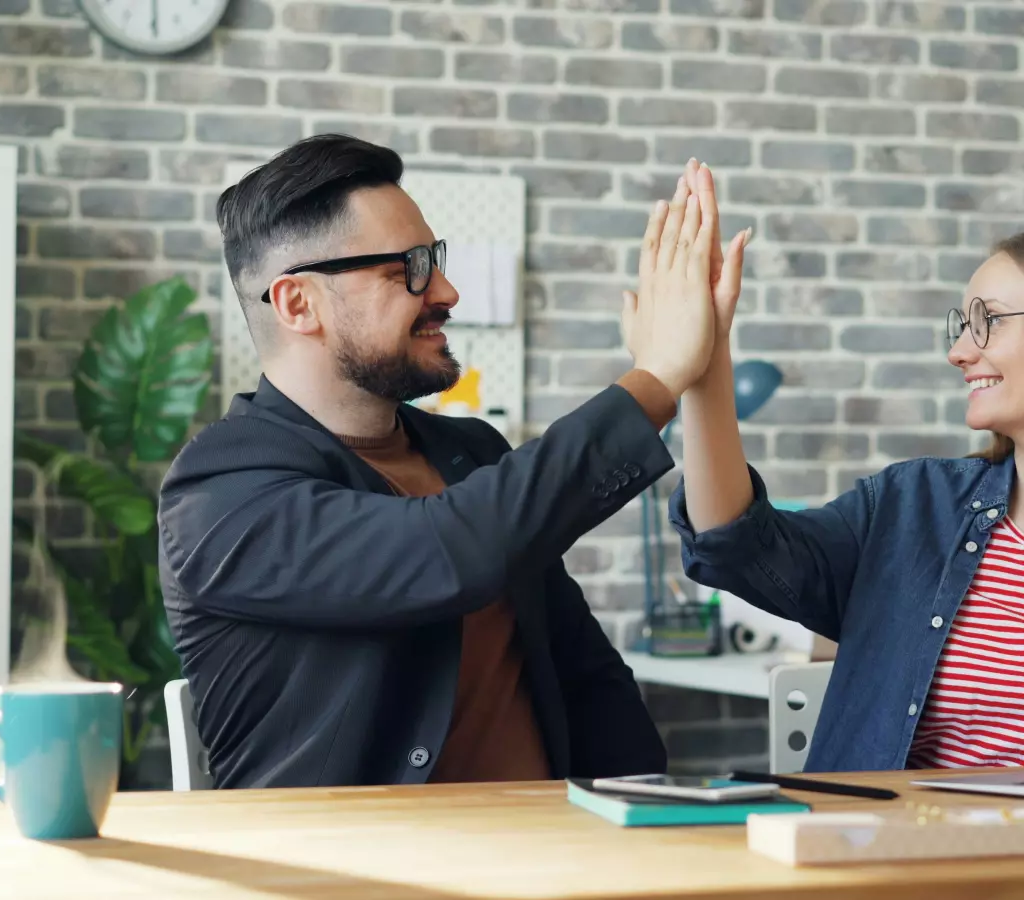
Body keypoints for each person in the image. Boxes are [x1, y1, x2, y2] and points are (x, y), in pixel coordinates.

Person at [156, 134, 748, 788]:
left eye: (433, 260)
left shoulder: (472, 454)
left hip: (550, 858)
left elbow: (584, 673)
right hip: (353, 875)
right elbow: (447, 552)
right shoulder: (218, 493)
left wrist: (643, 825)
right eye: (406, 268)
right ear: (299, 303)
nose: (445, 291)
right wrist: (657, 379)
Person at [669, 158, 1024, 772]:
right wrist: (706, 357)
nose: (958, 351)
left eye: (986, 322)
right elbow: (734, 543)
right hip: (904, 859)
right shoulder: (911, 509)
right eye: (962, 324)